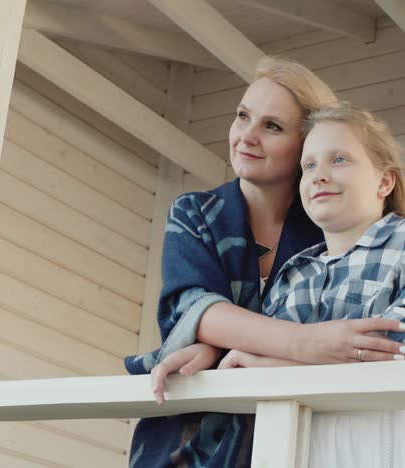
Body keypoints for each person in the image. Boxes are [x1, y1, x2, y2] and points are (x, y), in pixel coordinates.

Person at [125, 57, 404, 468]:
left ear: (304, 141)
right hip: (190, 437)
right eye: (242, 117)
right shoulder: (196, 212)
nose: (246, 137)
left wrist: (242, 352)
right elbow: (195, 310)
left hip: (292, 439)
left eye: (272, 126)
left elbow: (378, 347)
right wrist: (309, 343)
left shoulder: (333, 234)